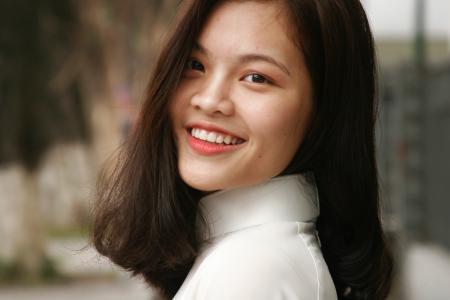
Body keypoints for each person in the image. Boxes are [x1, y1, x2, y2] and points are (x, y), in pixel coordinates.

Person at [92, 0, 394, 299]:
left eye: (256, 78)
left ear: (325, 110)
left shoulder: (252, 272)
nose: (209, 100)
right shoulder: (249, 256)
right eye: (195, 65)